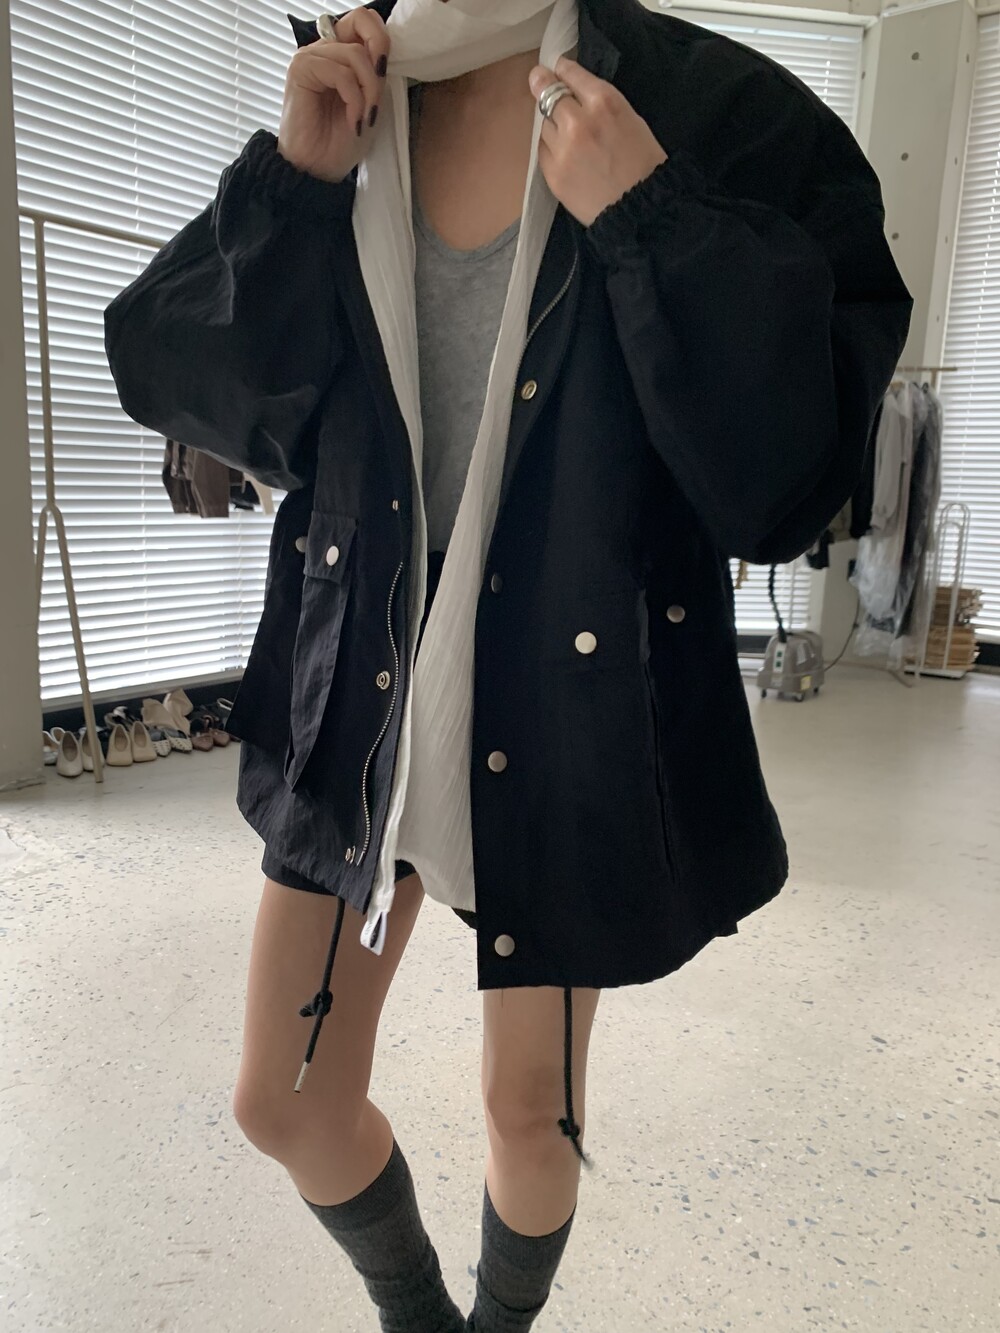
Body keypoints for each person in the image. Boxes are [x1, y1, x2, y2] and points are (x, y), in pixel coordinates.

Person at [103, 1, 913, 1327]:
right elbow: (186, 379)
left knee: (530, 1113)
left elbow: (784, 484)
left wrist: (649, 217)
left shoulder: (722, 113)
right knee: (284, 1098)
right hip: (363, 661)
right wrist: (296, 186)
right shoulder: (357, 96)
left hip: (567, 680)